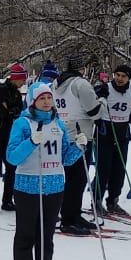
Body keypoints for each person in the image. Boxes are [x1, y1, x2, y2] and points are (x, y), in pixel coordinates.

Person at [5, 81, 83, 260]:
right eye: (42, 99)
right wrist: (31, 142)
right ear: (33, 101)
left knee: (46, 238)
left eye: (49, 98)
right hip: (28, 186)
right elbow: (12, 157)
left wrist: (79, 147)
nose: (47, 102)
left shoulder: (57, 123)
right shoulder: (22, 124)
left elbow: (65, 158)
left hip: (54, 186)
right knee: (26, 236)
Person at [52, 55, 101, 234]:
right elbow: (95, 112)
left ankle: (73, 213)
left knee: (74, 178)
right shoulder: (80, 83)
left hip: (65, 133)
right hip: (80, 135)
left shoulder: (56, 83)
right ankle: (68, 218)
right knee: (77, 179)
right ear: (82, 68)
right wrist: (102, 100)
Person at [93, 63, 131, 215]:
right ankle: (96, 201)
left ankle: (113, 201)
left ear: (128, 78)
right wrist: (95, 117)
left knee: (119, 170)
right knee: (103, 169)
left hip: (122, 133)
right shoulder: (104, 89)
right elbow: (88, 101)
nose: (119, 78)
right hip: (104, 133)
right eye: (117, 75)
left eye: (123, 76)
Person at [0, 64, 27, 214]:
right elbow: (2, 112)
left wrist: (11, 109)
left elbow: (19, 110)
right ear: (16, 78)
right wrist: (10, 110)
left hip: (10, 134)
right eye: (22, 79)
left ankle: (7, 200)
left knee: (11, 168)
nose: (23, 83)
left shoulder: (16, 93)